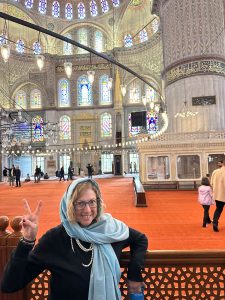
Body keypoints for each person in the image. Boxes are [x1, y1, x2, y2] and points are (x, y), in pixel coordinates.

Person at [1, 178, 148, 299]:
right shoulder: (55, 239)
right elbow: (10, 284)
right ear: (69, 206)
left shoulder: (110, 230)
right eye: (80, 203)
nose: (87, 210)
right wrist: (27, 241)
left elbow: (140, 239)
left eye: (92, 202)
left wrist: (134, 275)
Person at [211, 160, 225, 232]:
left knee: (218, 210)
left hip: (218, 195)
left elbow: (212, 183)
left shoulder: (215, 172)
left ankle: (215, 223)